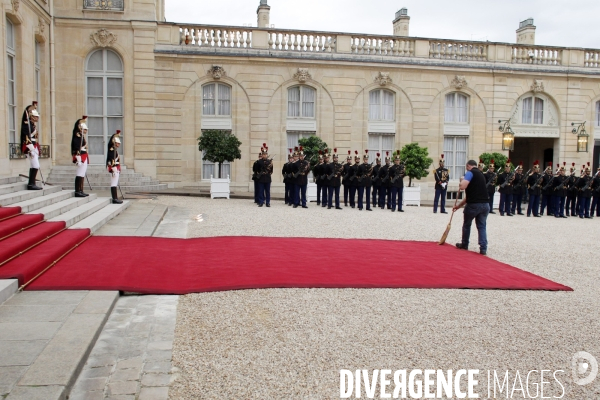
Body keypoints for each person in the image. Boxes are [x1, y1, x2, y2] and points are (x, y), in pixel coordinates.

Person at [453, 159, 490, 256]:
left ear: (468, 166)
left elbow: (463, 187)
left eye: (466, 167)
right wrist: (458, 206)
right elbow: (468, 195)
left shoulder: (470, 173)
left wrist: (461, 181)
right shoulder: (481, 175)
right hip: (485, 205)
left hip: (474, 204)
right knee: (482, 226)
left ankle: (465, 244)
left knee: (467, 224)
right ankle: (483, 248)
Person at [21, 102, 42, 190]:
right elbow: (26, 136)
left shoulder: (32, 124)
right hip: (30, 146)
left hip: (34, 145)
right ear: (31, 116)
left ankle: (32, 183)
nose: (37, 118)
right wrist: (30, 148)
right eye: (35, 116)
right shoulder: (27, 124)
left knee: (34, 165)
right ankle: (31, 184)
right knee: (36, 165)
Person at [71, 116, 90, 197]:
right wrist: (78, 159)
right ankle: (77, 190)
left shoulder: (81, 136)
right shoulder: (77, 135)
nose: (85, 131)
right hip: (80, 156)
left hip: (84, 155)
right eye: (84, 129)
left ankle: (81, 190)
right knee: (79, 173)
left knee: (82, 174)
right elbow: (76, 148)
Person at [106, 130, 123, 204]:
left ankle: (115, 197)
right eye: (117, 143)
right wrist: (113, 168)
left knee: (115, 183)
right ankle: (114, 198)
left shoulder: (115, 150)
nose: (118, 145)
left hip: (117, 167)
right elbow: (110, 160)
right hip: (114, 168)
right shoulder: (111, 150)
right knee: (113, 183)